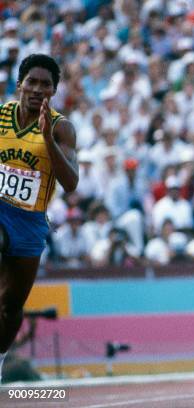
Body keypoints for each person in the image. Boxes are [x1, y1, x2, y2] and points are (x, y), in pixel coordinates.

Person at [0, 54, 79, 383]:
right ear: (19, 84)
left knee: (12, 305)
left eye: (45, 85)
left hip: (30, 222)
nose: (37, 89)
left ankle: (1, 356)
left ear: (54, 91)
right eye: (31, 82)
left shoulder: (61, 128)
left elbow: (71, 183)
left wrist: (47, 140)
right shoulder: (2, 116)